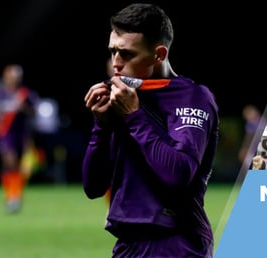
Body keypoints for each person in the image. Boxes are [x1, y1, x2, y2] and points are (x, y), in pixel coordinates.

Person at [81, 3, 219, 257]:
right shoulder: (124, 97)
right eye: (113, 52)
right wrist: (100, 126)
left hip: (177, 244)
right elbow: (93, 186)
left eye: (127, 54)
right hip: (127, 245)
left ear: (159, 54)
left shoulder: (192, 97)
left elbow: (178, 175)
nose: (116, 63)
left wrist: (134, 117)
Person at [0, 64, 38, 213]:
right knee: (10, 161)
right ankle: (12, 196)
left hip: (21, 135)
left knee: (19, 167)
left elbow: (33, 113)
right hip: (5, 134)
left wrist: (23, 108)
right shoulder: (0, 94)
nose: (14, 80)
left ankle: (15, 195)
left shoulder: (26, 93)